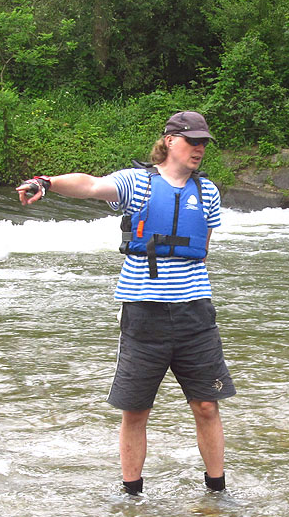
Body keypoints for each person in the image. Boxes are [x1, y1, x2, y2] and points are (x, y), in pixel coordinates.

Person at [15, 111, 236, 497]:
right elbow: (90, 186)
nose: (199, 148)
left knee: (206, 406)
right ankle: (132, 495)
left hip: (195, 313)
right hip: (143, 313)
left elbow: (203, 245)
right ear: (169, 140)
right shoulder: (138, 183)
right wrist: (46, 183)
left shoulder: (209, 192)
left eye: (204, 143)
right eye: (192, 141)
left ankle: (217, 492)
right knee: (135, 411)